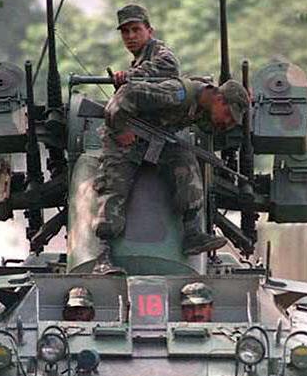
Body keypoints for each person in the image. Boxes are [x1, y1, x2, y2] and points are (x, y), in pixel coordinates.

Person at [92, 76, 250, 274]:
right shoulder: (176, 94)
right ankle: (102, 256)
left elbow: (209, 128)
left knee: (187, 164)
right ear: (219, 99)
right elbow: (125, 94)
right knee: (114, 188)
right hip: (124, 138)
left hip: (156, 139)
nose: (227, 121)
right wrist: (121, 129)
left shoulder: (203, 105)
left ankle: (192, 235)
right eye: (228, 114)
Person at [111, 4, 180, 86]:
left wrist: (128, 75)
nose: (131, 36)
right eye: (125, 31)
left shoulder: (158, 51)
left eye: (136, 30)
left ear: (150, 31)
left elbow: (169, 64)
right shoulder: (139, 60)